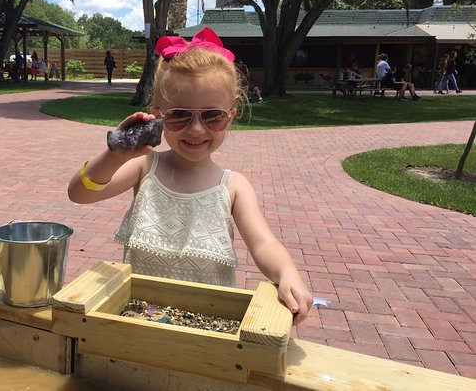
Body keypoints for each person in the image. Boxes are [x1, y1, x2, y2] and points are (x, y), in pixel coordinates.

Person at [67, 27, 313, 324]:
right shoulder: (145, 167)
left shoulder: (234, 186)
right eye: (180, 115)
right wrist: (116, 152)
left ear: (230, 116)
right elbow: (80, 194)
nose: (196, 129)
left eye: (212, 115)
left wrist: (287, 272)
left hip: (207, 324)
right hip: (140, 320)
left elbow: (264, 244)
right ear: (159, 116)